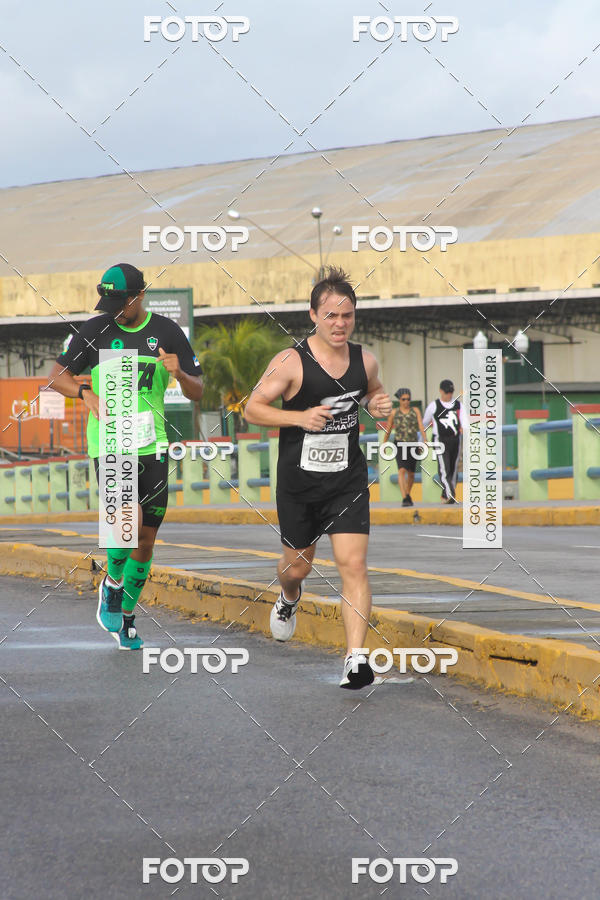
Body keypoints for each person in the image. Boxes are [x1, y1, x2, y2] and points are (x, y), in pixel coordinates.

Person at [244, 267, 392, 689]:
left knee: (354, 565)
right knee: (297, 567)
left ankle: (355, 660)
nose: (340, 324)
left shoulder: (365, 359)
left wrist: (378, 404)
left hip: (346, 480)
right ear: (313, 315)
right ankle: (289, 597)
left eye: (347, 316)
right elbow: (252, 409)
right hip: (299, 484)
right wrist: (298, 417)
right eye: (330, 316)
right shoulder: (291, 362)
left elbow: (374, 391)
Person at [47, 263, 203, 649]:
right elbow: (57, 377)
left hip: (152, 445)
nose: (114, 309)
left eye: (121, 301)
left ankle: (128, 616)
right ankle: (113, 584)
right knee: (124, 527)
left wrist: (180, 374)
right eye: (109, 301)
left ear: (139, 295)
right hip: (111, 442)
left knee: (146, 541)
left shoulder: (166, 332)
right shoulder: (95, 330)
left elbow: (198, 391)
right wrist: (85, 392)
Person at [422, 379, 467, 504]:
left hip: (455, 439)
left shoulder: (459, 405)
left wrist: (464, 430)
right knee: (444, 468)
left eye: (451, 392)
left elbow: (464, 422)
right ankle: (450, 494)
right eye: (447, 392)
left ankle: (447, 493)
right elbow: (424, 422)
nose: (449, 395)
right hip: (440, 440)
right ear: (441, 391)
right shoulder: (434, 405)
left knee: (453, 468)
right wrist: (423, 438)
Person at [383, 388, 425, 507]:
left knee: (411, 473)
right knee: (402, 470)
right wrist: (384, 443)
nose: (406, 401)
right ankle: (404, 497)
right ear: (399, 400)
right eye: (403, 399)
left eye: (408, 399)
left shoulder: (415, 411)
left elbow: (421, 426)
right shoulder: (394, 412)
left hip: (413, 444)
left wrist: (424, 439)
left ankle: (407, 494)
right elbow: (389, 428)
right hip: (400, 444)